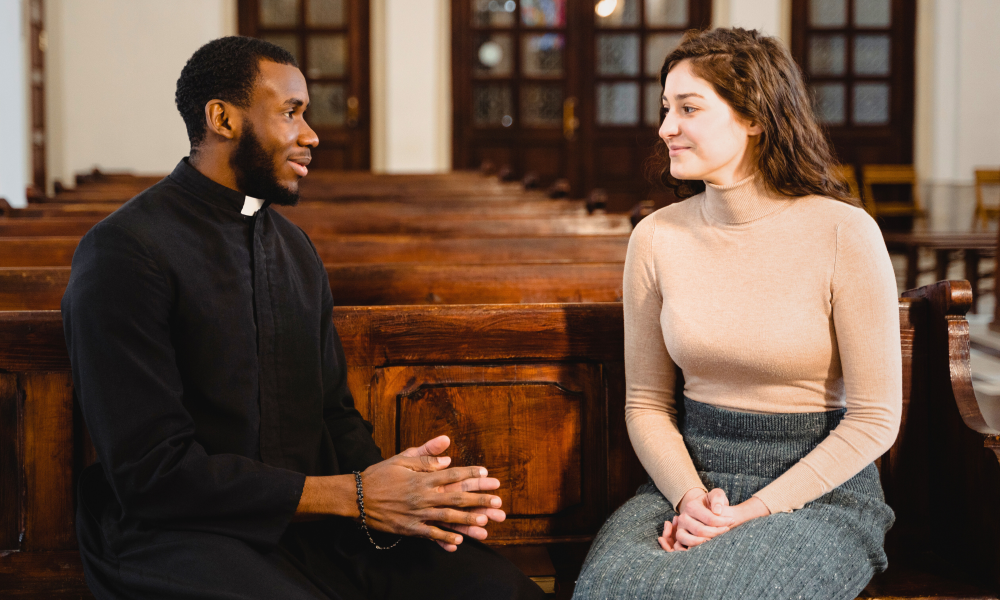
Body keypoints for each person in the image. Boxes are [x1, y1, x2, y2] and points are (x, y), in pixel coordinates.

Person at [61, 36, 543, 600]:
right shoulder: (124, 251)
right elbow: (150, 475)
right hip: (176, 533)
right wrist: (356, 496)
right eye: (291, 113)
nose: (311, 135)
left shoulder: (294, 249)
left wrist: (410, 497)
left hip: (316, 521)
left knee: (497, 590)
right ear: (222, 118)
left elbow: (334, 417)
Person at [573, 28, 900, 599]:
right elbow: (646, 403)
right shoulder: (655, 238)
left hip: (819, 492)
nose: (665, 127)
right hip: (689, 481)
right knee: (610, 586)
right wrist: (689, 499)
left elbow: (874, 419)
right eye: (665, 108)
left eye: (688, 108)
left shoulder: (845, 233)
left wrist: (753, 510)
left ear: (754, 117)